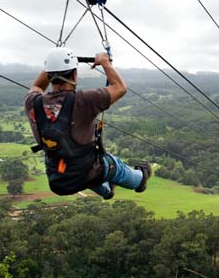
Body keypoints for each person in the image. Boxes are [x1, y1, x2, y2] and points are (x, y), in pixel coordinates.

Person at [24, 47, 151, 199]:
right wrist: (105, 62)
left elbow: (37, 86)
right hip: (87, 172)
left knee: (83, 166)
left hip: (58, 178)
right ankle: (140, 179)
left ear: (49, 74)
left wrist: (53, 64)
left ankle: (107, 191)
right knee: (112, 165)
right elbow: (120, 88)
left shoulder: (32, 102)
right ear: (74, 74)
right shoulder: (83, 100)